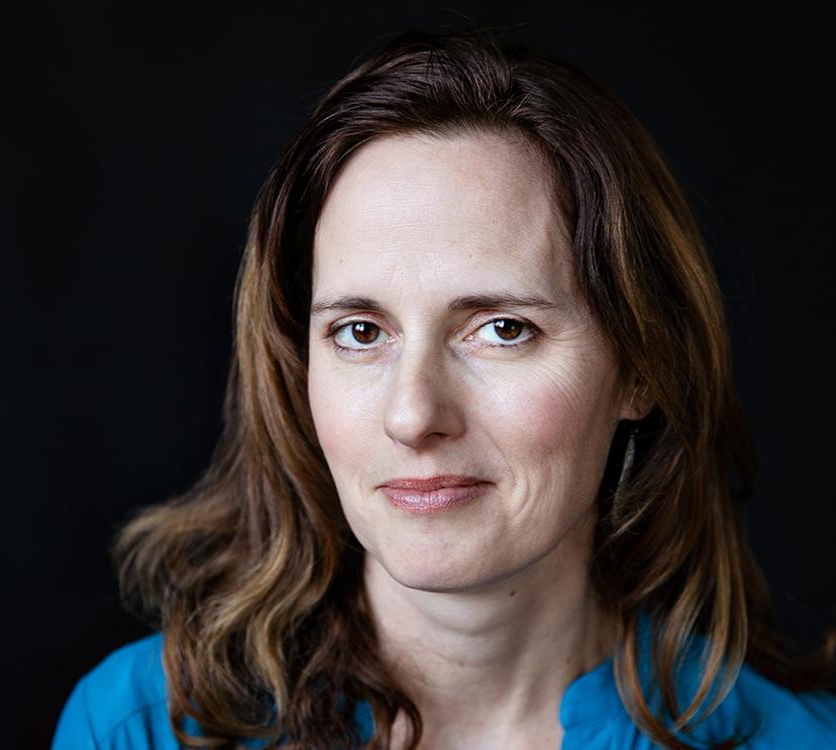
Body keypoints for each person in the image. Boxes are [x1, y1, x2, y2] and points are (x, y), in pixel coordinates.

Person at [50, 28, 836, 750]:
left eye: (501, 329)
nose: (414, 414)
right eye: (361, 332)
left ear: (641, 365)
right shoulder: (144, 726)